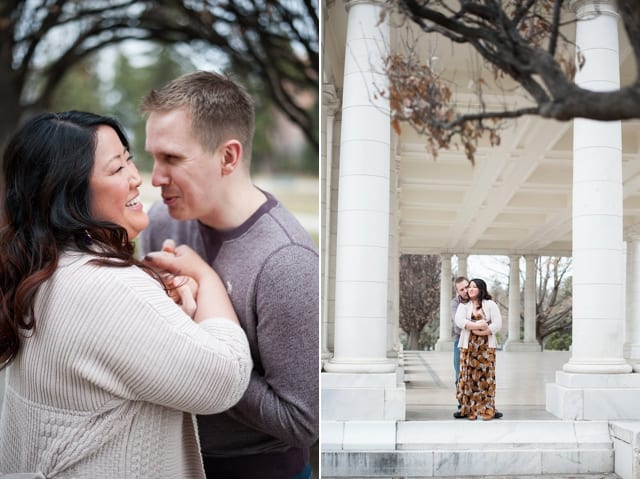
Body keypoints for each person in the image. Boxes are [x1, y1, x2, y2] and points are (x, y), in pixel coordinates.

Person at [0, 111, 252, 478]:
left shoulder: (36, 268)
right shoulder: (104, 285)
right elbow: (224, 379)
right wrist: (205, 276)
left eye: (129, 160)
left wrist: (165, 314)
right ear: (68, 191)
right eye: (117, 169)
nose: (137, 178)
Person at [138, 71, 319, 479]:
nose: (155, 178)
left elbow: (302, 422)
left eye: (171, 158)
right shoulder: (161, 221)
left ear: (228, 157)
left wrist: (200, 337)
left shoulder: (287, 263)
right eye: (153, 157)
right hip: (167, 460)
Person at [454, 278, 502, 420]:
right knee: (469, 377)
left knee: (487, 378)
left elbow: (497, 323)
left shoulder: (490, 304)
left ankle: (487, 410)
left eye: (474, 287)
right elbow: (460, 321)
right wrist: (478, 325)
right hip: (468, 347)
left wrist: (483, 331)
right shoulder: (463, 306)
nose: (470, 289)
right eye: (469, 287)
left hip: (486, 347)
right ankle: (471, 410)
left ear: (481, 289)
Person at [451, 276, 469, 418]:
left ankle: (484, 406)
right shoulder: (455, 303)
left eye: (466, 287)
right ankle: (462, 406)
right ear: (457, 291)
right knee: (460, 374)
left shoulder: (479, 299)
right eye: (461, 289)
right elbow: (458, 324)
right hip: (460, 342)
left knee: (481, 375)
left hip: (478, 341)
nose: (465, 291)